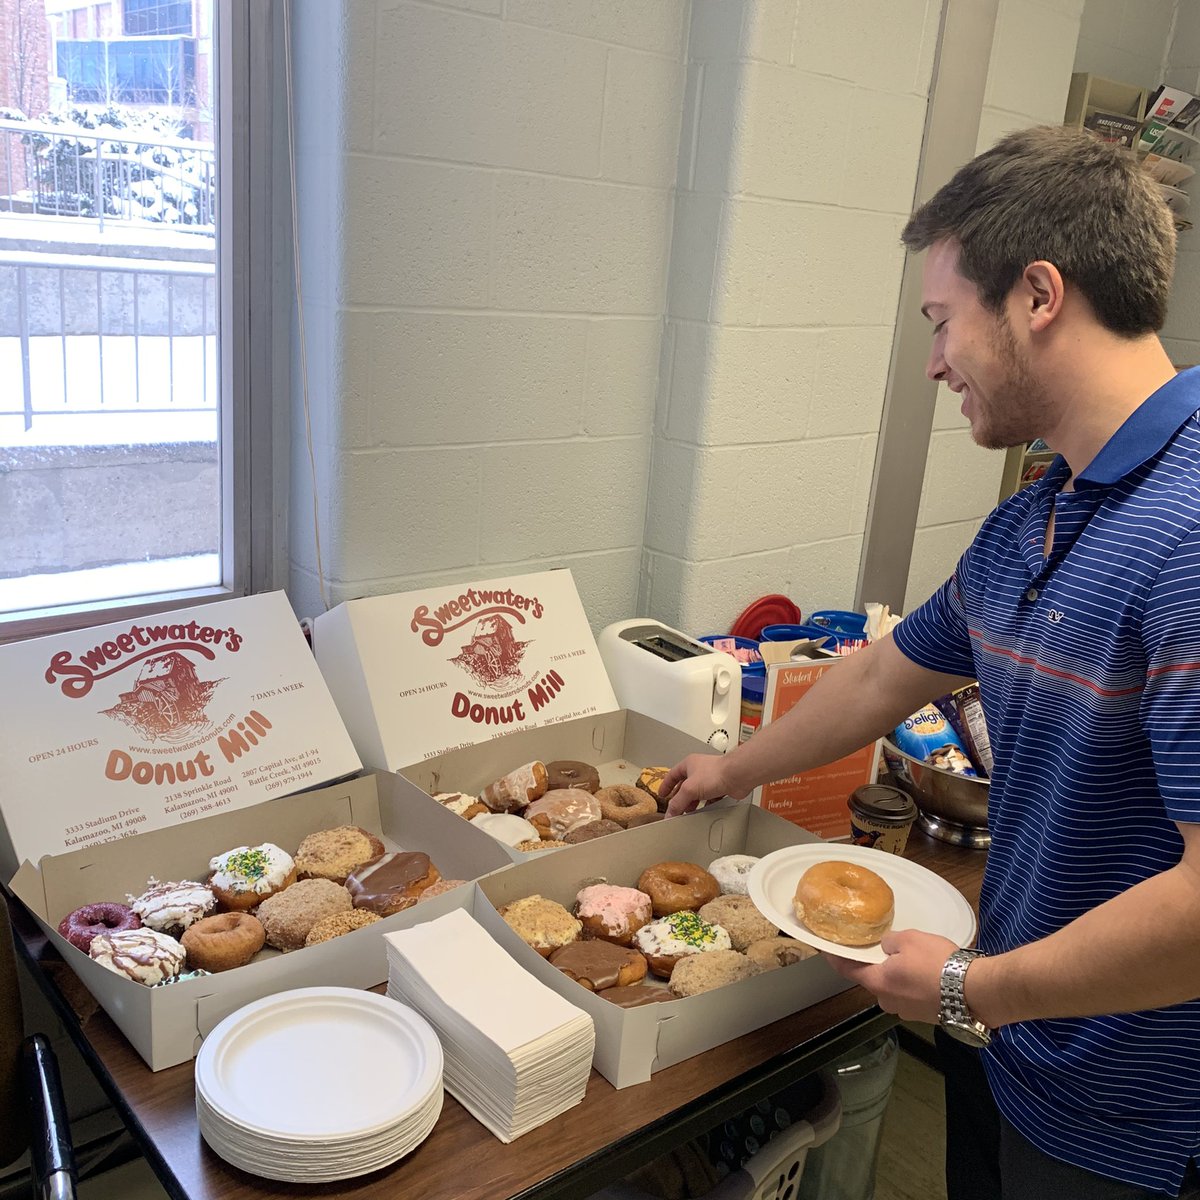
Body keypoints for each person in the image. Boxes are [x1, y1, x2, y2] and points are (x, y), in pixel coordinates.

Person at [661, 126, 1200, 1200]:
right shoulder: (1034, 521)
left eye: (944, 320)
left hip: (1135, 1116)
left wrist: (972, 984)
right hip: (1013, 1053)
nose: (935, 360)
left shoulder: (1188, 531)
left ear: (1038, 295)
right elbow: (876, 678)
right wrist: (727, 769)